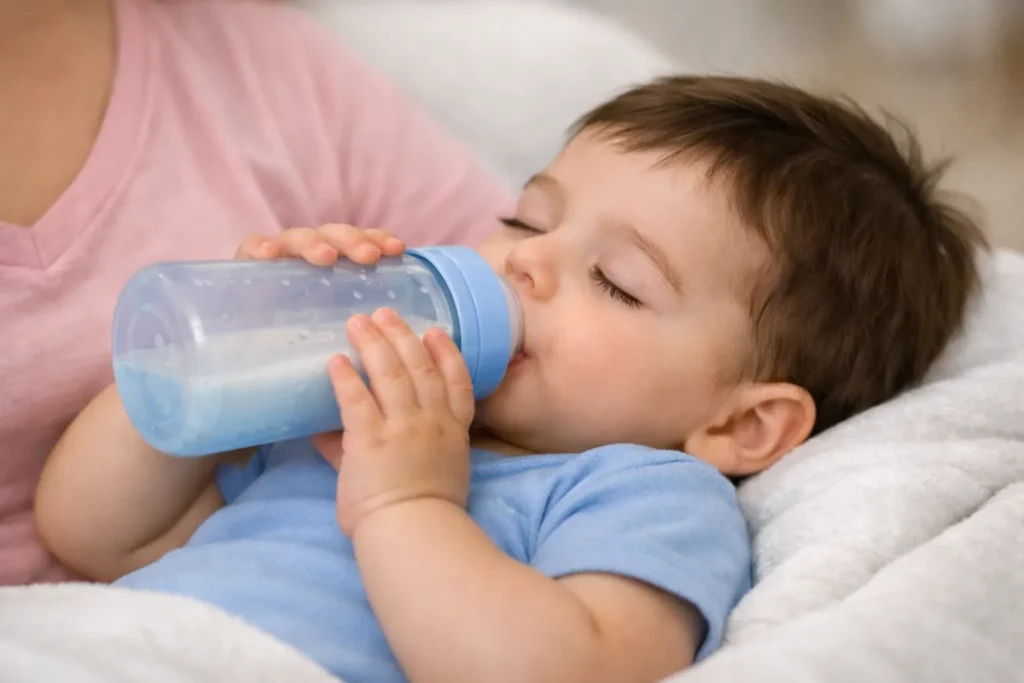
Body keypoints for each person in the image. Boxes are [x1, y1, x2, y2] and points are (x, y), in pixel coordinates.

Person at [35, 76, 986, 682]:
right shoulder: (349, 404)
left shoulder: (643, 491)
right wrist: (240, 337)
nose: (524, 265)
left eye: (618, 281)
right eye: (528, 222)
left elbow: (558, 672)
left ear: (741, 428)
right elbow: (93, 531)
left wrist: (408, 501)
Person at [0, 0, 511, 586]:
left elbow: (519, 293)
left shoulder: (259, 60)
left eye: (616, 284)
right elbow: (87, 533)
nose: (537, 274)